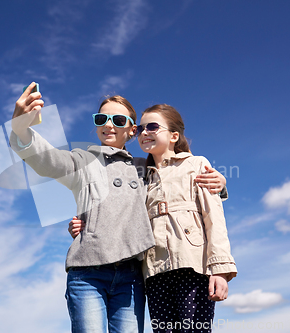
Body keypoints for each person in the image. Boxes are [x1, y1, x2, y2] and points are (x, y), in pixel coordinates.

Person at [10, 83, 226, 333]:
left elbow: (176, 184)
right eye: (102, 118)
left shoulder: (146, 167)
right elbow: (47, 160)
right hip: (88, 273)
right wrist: (21, 127)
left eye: (118, 119)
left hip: (132, 278)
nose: (108, 124)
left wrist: (219, 182)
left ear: (132, 130)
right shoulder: (82, 160)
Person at [71, 104, 237, 333]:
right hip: (154, 274)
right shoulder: (140, 175)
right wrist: (86, 223)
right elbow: (117, 211)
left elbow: (214, 219)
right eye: (141, 129)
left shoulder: (196, 164)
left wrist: (219, 270)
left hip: (193, 267)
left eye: (152, 126)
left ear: (173, 136)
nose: (145, 132)